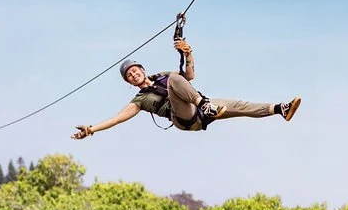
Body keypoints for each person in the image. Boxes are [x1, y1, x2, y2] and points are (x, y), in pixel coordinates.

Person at [72, 39, 301, 139]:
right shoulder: (140, 100)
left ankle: (281, 109)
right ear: (130, 82)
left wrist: (187, 53)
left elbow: (189, 76)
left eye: (135, 69)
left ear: (142, 68)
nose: (134, 74)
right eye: (130, 75)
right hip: (185, 117)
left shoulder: (161, 75)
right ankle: (206, 106)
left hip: (199, 109)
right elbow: (116, 119)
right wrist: (92, 129)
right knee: (174, 79)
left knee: (239, 105)